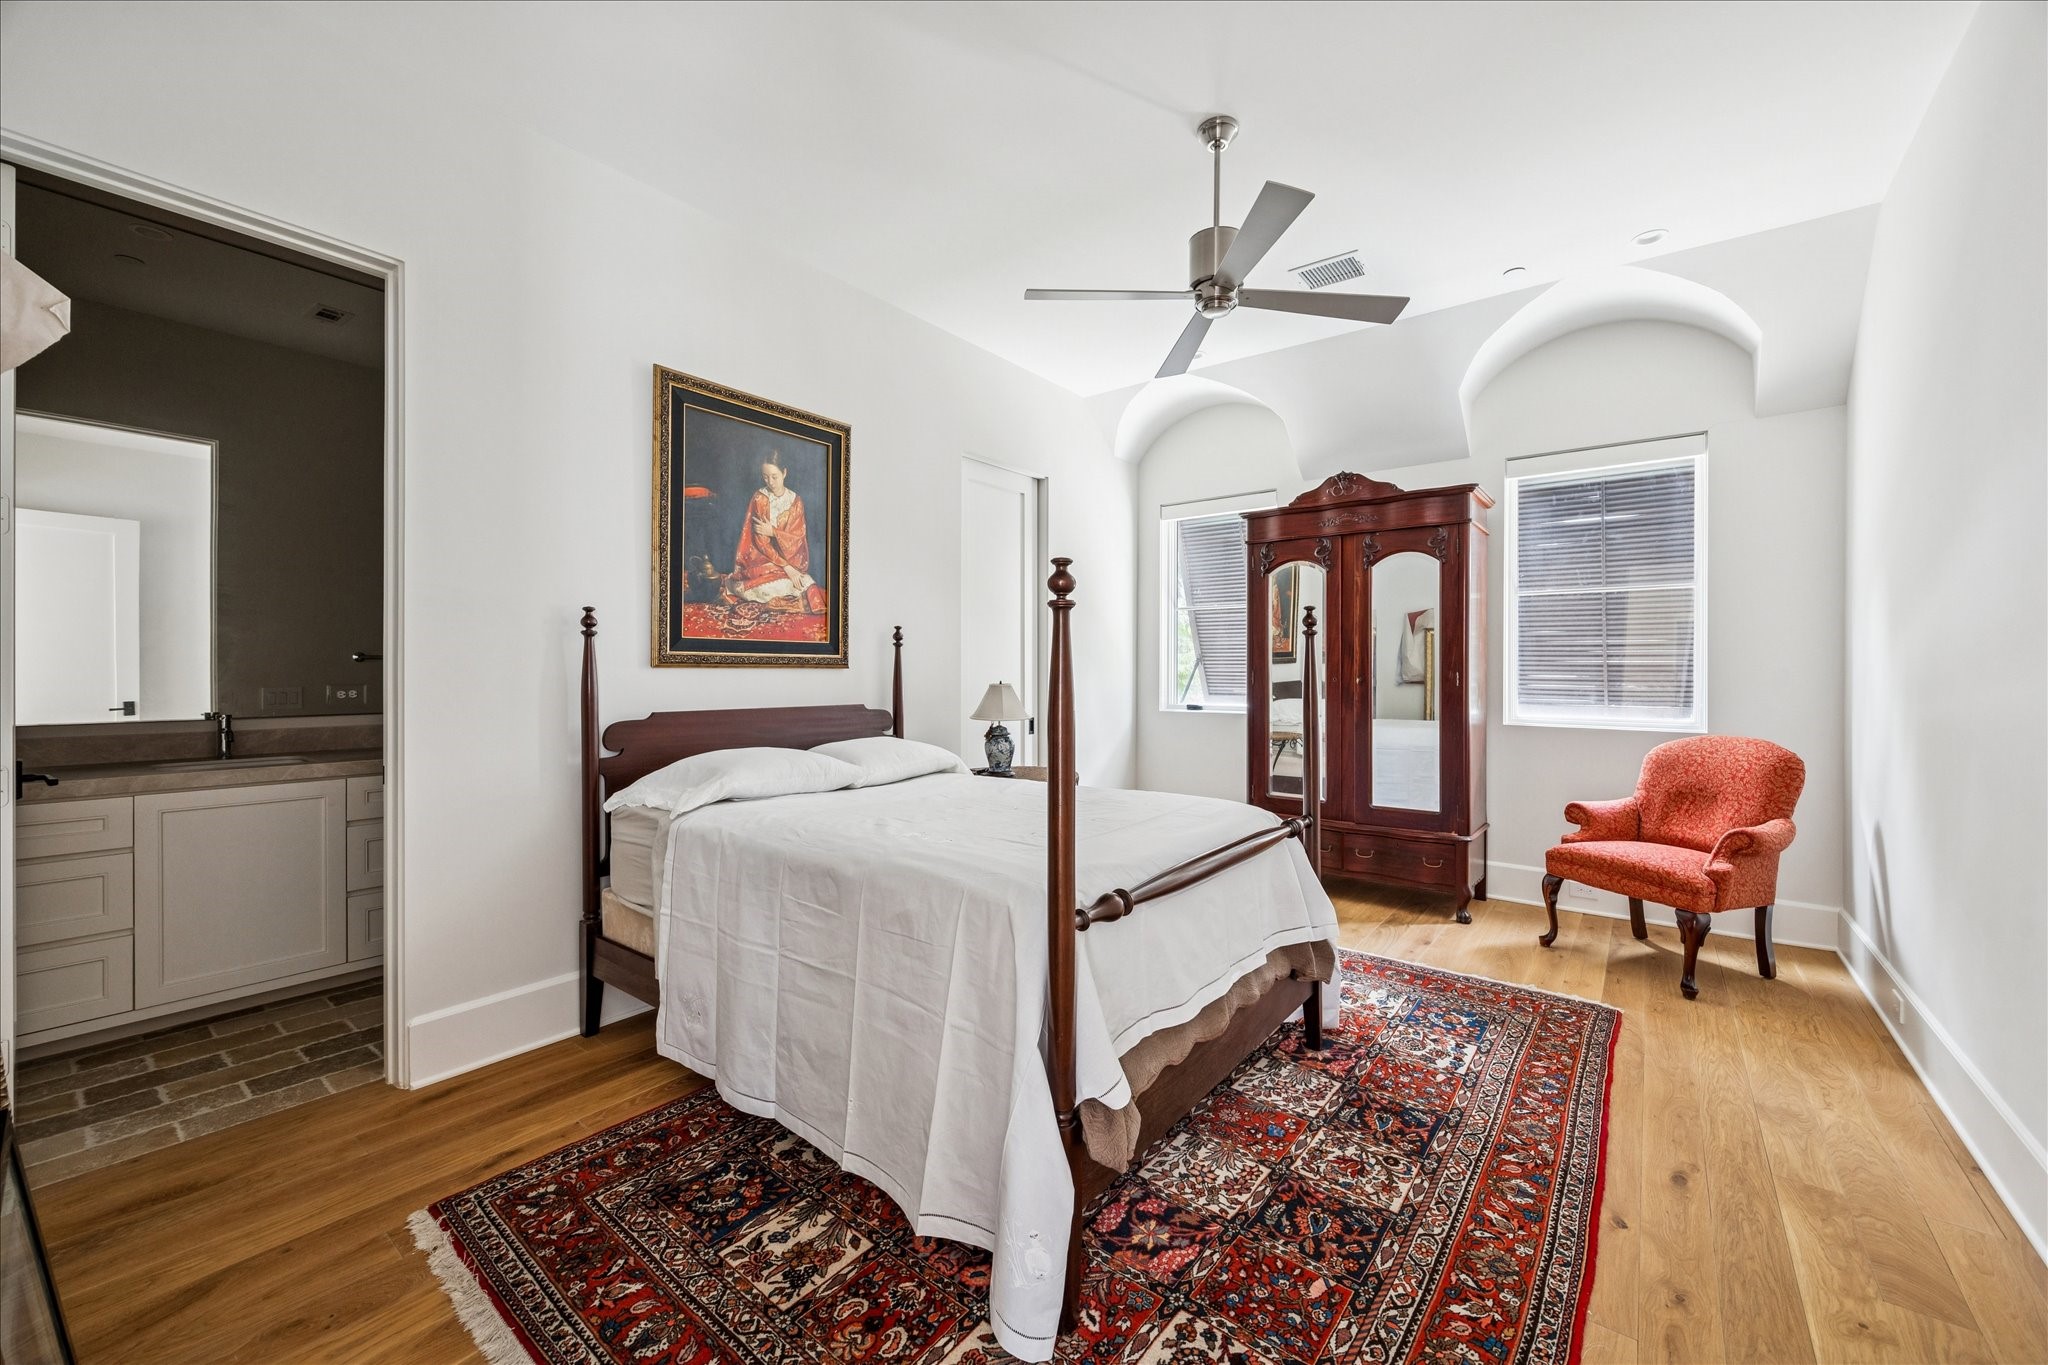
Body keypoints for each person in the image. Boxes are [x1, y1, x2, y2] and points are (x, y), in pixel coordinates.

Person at [723, 450, 827, 612]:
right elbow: (760, 542)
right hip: (761, 561)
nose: (770, 482)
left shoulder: (796, 501)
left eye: (774, 476)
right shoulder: (760, 498)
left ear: (784, 473)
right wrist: (786, 567)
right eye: (765, 476)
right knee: (776, 587)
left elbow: (797, 539)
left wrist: (773, 532)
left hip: (791, 560)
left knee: (805, 583)